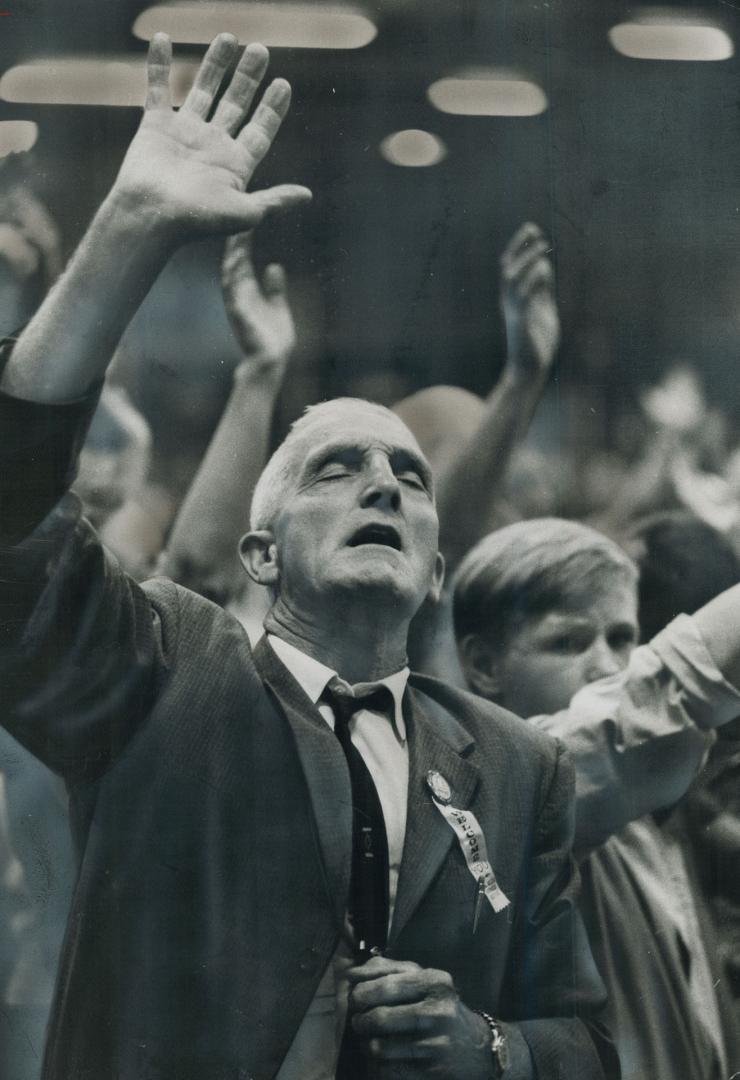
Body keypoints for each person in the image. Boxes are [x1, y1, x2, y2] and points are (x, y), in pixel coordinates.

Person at [0, 33, 616, 1080]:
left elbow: (588, 1046)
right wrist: (128, 233)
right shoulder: (158, 667)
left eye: (409, 478)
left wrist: (486, 1045)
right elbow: (12, 511)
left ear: (434, 567)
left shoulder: (520, 765)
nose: (381, 483)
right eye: (335, 470)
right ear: (259, 552)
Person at [453, 518, 740, 1078]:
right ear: (484, 666)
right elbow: (659, 696)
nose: (609, 665)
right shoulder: (501, 788)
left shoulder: (635, 806)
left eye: (622, 637)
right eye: (568, 641)